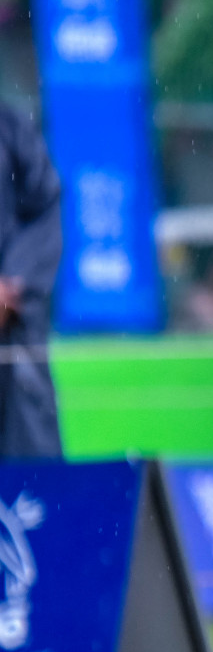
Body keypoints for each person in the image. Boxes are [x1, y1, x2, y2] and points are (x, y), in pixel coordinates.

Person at [0, 105, 62, 458]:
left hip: (11, 326)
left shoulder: (9, 127)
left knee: (29, 467)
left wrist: (11, 285)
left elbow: (44, 207)